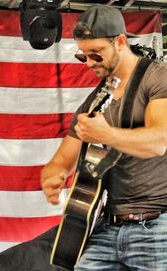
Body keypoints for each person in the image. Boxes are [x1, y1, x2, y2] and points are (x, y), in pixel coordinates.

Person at [40, 5, 167, 270]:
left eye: (96, 55)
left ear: (120, 42)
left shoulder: (157, 78)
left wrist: (107, 134)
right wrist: (52, 175)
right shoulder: (96, 99)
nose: (88, 63)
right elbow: (63, 159)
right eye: (82, 56)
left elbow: (159, 142)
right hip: (108, 226)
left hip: (157, 227)